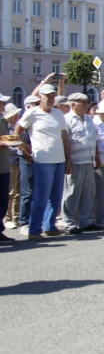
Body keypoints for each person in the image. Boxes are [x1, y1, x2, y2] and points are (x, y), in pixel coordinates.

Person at [14, 84, 71, 240]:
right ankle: (34, 229)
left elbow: (64, 138)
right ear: (40, 97)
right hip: (42, 160)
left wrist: (68, 159)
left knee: (56, 196)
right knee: (41, 196)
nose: (51, 98)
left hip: (59, 158)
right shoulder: (32, 113)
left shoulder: (58, 114)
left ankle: (49, 226)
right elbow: (17, 132)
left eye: (53, 96)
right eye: (48, 96)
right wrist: (25, 150)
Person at [62, 93, 102, 234]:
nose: (86, 105)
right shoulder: (66, 119)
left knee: (88, 192)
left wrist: (97, 156)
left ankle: (85, 221)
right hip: (75, 161)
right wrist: (68, 159)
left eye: (86, 102)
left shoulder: (88, 119)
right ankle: (69, 223)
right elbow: (65, 141)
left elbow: (94, 138)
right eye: (82, 102)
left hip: (89, 160)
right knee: (72, 192)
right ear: (72, 104)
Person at [15, 95, 39, 237]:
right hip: (27, 159)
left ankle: (34, 220)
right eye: (35, 104)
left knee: (37, 191)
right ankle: (24, 222)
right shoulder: (24, 120)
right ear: (28, 106)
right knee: (28, 191)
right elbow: (20, 140)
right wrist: (27, 155)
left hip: (39, 158)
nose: (37, 106)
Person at [4, 103, 22, 233]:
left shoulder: (17, 126)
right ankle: (8, 218)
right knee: (10, 192)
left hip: (19, 160)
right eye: (14, 114)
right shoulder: (5, 127)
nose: (16, 116)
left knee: (19, 191)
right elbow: (9, 144)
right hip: (10, 161)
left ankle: (16, 217)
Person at [0, 93, 12, 242]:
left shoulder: (3, 119)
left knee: (3, 199)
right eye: (2, 102)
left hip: (4, 165)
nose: (4, 105)